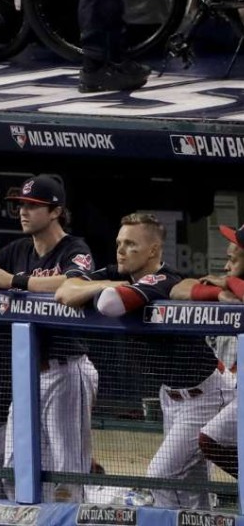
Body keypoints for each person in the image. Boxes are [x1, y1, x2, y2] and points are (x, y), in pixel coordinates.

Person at [57, 213, 227, 509]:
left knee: (161, 476)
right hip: (171, 397)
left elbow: (111, 304)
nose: (121, 250)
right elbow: (64, 289)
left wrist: (102, 288)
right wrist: (107, 283)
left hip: (205, 395)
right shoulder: (118, 275)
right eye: (119, 243)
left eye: (131, 244)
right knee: (189, 489)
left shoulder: (163, 278)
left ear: (153, 251)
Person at [0, 174, 97, 502]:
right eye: (21, 205)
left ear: (55, 211)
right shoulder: (17, 250)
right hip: (27, 377)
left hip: (66, 370)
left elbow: (75, 282)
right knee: (15, 467)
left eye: (33, 205)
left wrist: (16, 281)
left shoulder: (74, 248)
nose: (23, 211)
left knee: (68, 474)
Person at [172, 222, 244, 481]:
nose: (226, 266)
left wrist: (228, 282)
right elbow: (178, 289)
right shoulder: (229, 288)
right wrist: (218, 293)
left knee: (210, 438)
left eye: (232, 260)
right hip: (233, 390)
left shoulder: (233, 283)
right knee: (210, 440)